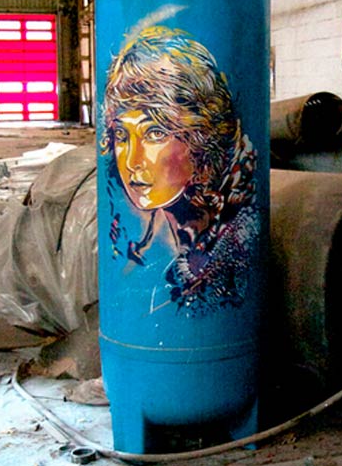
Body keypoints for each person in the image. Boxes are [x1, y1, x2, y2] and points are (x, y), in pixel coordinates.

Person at [101, 25, 258, 311]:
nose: (133, 161)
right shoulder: (143, 237)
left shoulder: (234, 238)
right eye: (122, 135)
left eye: (155, 133)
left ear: (201, 139)